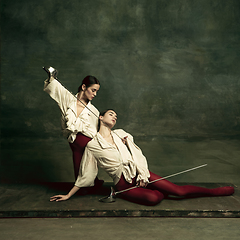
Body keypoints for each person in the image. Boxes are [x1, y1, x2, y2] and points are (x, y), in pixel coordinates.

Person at [50, 110, 235, 206]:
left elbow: (136, 153)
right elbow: (86, 173)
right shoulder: (92, 145)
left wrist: (143, 177)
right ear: (100, 117)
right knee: (154, 199)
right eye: (111, 114)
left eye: (116, 116)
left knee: (179, 192)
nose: (115, 117)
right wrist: (68, 195)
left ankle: (216, 191)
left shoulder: (121, 134)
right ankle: (154, 190)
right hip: (123, 184)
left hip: (140, 174)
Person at [43, 66, 103, 190]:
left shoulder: (94, 111)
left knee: (93, 162)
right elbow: (56, 87)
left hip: (89, 144)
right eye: (93, 90)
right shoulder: (68, 99)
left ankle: (96, 182)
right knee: (80, 168)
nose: (95, 94)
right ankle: (91, 183)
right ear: (83, 87)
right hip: (74, 143)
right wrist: (51, 76)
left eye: (96, 91)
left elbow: (98, 131)